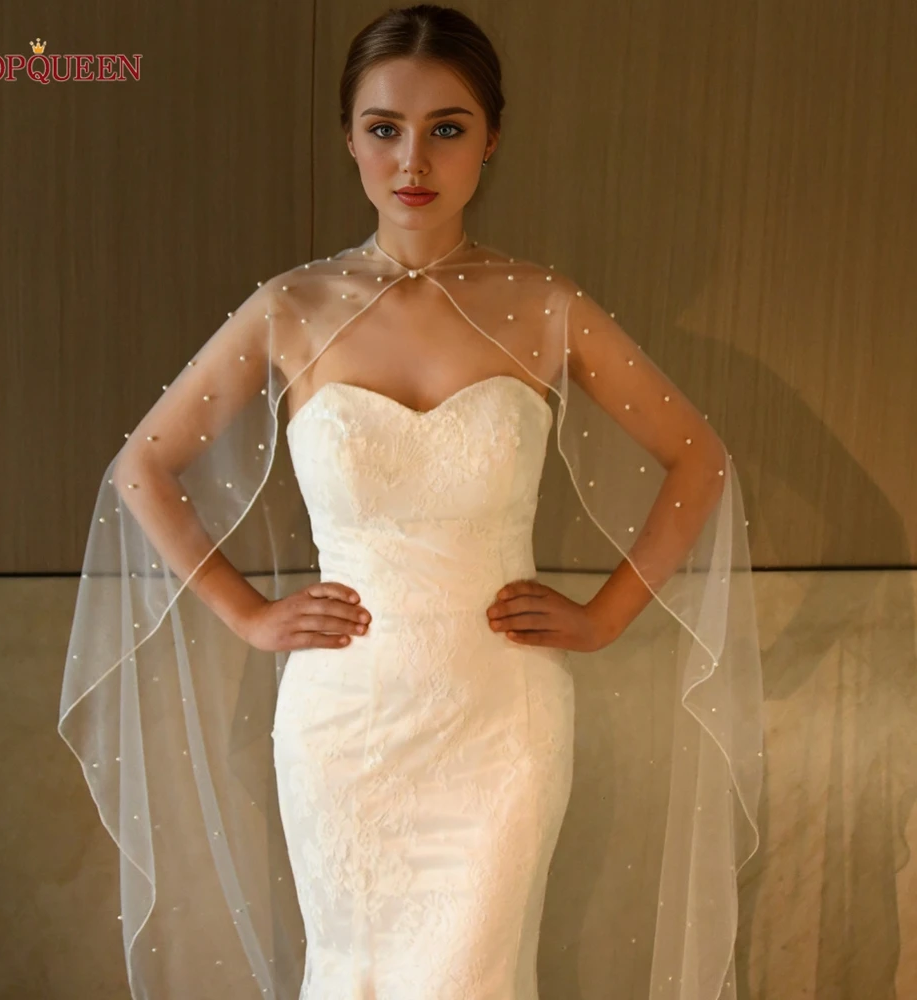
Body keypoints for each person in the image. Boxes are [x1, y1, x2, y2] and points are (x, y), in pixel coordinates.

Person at [59, 5, 763, 999]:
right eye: (384, 127)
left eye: (447, 127)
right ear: (349, 138)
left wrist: (604, 616)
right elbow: (143, 468)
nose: (412, 160)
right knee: (353, 971)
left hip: (501, 720)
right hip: (343, 722)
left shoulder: (545, 305)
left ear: (492, 138)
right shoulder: (292, 308)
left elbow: (697, 459)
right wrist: (248, 614)